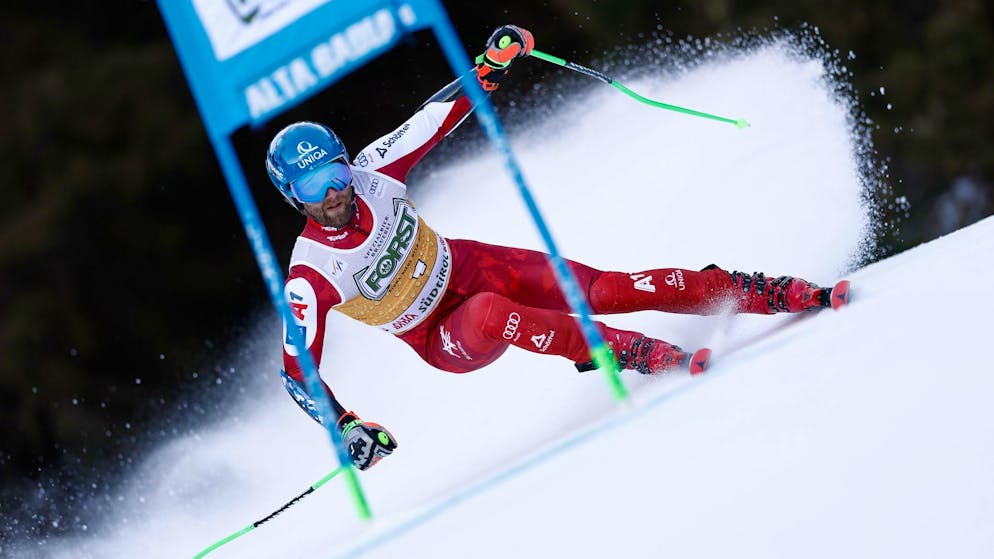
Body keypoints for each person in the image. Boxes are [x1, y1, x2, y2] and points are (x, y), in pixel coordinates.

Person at [267, 25, 836, 471]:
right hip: (442, 335)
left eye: (336, 173)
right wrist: (345, 426)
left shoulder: (374, 171)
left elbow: (434, 118)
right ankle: (625, 350)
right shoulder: (311, 273)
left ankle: (752, 291)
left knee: (607, 289)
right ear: (293, 198)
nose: (333, 193)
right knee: (489, 313)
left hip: (472, 265)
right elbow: (297, 371)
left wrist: (491, 65)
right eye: (313, 188)